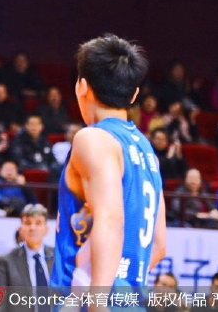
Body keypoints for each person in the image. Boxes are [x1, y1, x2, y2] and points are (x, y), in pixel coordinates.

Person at [51, 34, 166, 289]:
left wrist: (97, 299)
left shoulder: (94, 138)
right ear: (134, 95)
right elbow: (159, 245)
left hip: (86, 300)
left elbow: (111, 222)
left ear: (81, 86)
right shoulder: (146, 149)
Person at [0, 204, 55, 312]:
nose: (32, 228)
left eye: (38, 223)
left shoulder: (58, 257)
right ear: (20, 229)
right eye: (28, 223)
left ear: (46, 229)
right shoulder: (5, 261)